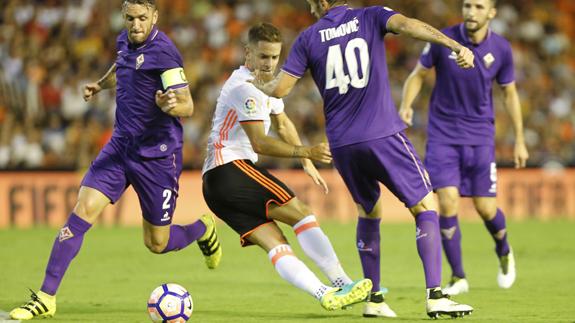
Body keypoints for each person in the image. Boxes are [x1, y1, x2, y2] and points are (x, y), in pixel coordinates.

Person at [252, 0, 476, 319]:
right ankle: (436, 296)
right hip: (382, 132)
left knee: (369, 212)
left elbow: (281, 88)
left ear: (319, 3)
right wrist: (453, 44)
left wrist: (258, 81)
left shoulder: (308, 37)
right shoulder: (371, 16)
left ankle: (374, 299)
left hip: (342, 144)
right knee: (426, 205)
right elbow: (411, 26)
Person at [9, 0, 222, 320]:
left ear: (155, 17)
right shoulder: (124, 40)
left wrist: (169, 105)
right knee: (81, 212)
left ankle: (202, 229)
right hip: (120, 148)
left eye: (142, 18)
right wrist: (101, 84)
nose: (135, 25)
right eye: (130, 18)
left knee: (157, 243)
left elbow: (188, 106)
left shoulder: (165, 53)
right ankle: (46, 297)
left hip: (157, 157)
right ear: (123, 17)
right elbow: (122, 68)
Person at [202, 22, 372, 311]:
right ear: (248, 54)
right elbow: (259, 143)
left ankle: (325, 294)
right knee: (302, 215)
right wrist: (306, 150)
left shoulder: (265, 87)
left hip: (214, 187)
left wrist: (305, 163)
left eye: (274, 57)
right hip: (230, 168)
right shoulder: (244, 89)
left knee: (276, 243)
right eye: (263, 56)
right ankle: (343, 282)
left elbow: (282, 122)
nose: (269, 64)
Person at [399, 0, 528, 295]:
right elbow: (418, 74)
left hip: (480, 137)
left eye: (479, 7)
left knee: (485, 208)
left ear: (492, 13)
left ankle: (504, 248)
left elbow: (509, 93)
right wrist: (406, 106)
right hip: (443, 136)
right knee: (447, 202)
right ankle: (458, 276)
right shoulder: (443, 40)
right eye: (467, 5)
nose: (471, 11)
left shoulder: (502, 49)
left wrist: (519, 138)